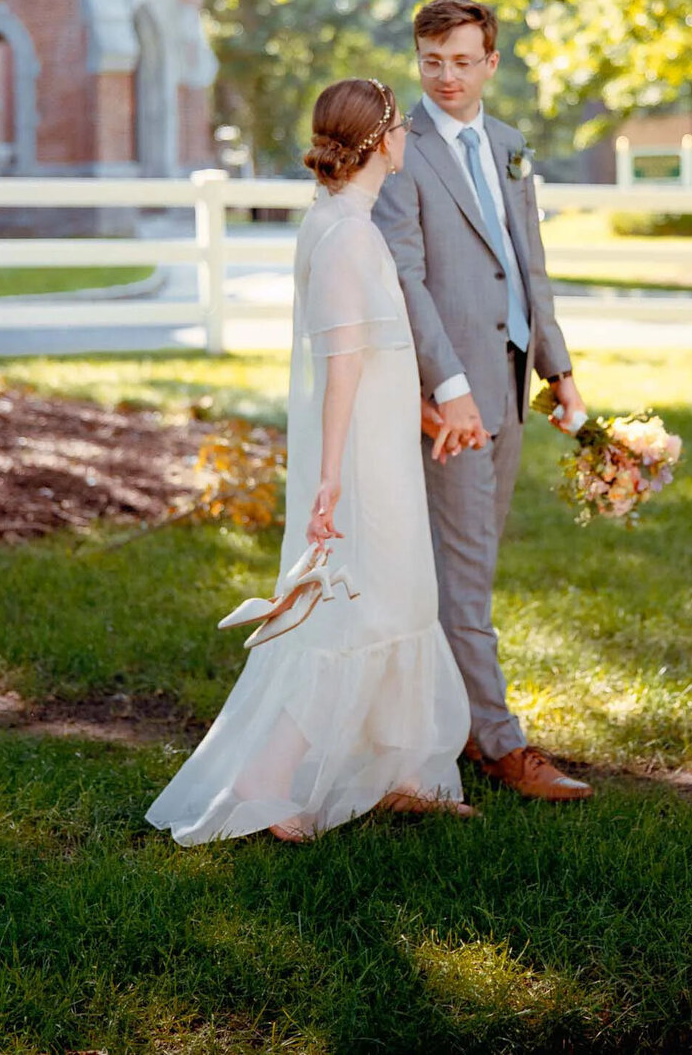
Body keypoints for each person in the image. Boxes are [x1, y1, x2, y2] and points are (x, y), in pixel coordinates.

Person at [146, 79, 474, 844]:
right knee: (355, 614)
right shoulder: (346, 235)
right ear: (381, 142)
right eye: (400, 127)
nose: (407, 139)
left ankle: (400, 773)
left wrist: (419, 409)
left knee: (401, 603)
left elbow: (379, 350)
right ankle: (266, 785)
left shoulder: (344, 221)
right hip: (360, 462)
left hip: (383, 442)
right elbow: (342, 367)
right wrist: (330, 479)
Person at [372, 0, 594, 802]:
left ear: (491, 62)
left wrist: (555, 369)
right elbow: (406, 277)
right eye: (433, 62)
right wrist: (449, 388)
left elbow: (528, 263)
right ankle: (498, 743)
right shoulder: (402, 151)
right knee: (464, 573)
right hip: (450, 397)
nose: (448, 76)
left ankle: (446, 717)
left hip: (506, 379)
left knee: (472, 563)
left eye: (464, 61)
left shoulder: (507, 146)